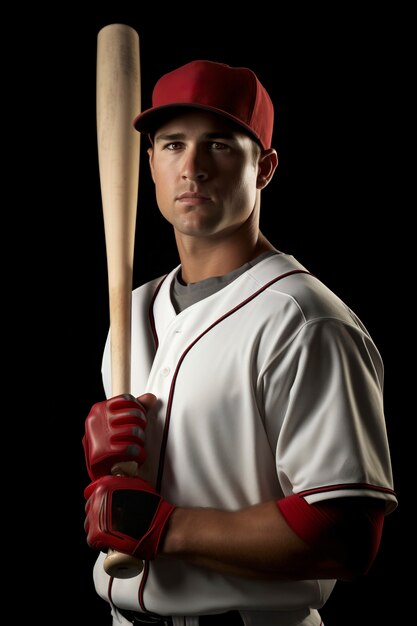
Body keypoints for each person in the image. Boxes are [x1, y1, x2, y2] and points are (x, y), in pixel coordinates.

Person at [82, 59, 398, 626]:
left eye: (221, 145)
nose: (193, 168)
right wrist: (120, 465)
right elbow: (135, 501)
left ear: (265, 168)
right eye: (173, 144)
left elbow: (345, 535)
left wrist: (167, 527)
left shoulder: (304, 319)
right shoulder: (128, 312)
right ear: (148, 162)